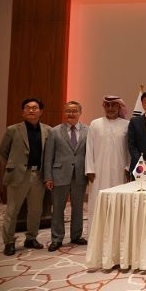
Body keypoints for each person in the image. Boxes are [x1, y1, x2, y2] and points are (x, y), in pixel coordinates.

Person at [0, 98, 51, 256]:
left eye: (35, 108)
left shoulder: (48, 130)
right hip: (18, 175)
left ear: (40, 111)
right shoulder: (12, 130)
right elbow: (3, 151)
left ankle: (31, 238)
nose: (31, 110)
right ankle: (9, 242)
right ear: (23, 112)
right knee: (12, 210)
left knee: (36, 210)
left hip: (38, 175)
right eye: (28, 108)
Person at [43, 101, 88, 251]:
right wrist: (48, 177)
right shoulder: (54, 131)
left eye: (74, 111)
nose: (71, 113)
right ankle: (57, 238)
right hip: (59, 174)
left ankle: (76, 236)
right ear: (64, 112)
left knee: (78, 208)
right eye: (68, 111)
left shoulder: (88, 130)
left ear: (80, 113)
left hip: (80, 175)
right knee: (58, 208)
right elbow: (48, 156)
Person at [85, 95, 130, 237]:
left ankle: (117, 235)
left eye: (114, 105)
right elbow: (89, 148)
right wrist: (90, 169)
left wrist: (128, 167)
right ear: (104, 107)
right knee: (98, 202)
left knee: (118, 203)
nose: (110, 108)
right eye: (107, 105)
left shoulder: (126, 125)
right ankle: (96, 236)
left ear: (119, 107)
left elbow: (129, 149)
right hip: (98, 172)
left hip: (119, 171)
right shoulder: (95, 124)